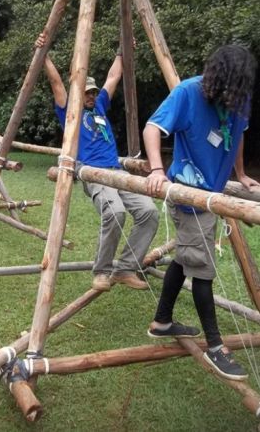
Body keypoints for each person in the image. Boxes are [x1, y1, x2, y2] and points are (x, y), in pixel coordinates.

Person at [144, 44, 258, 380]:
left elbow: (238, 136)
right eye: (230, 87)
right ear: (217, 78)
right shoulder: (188, 92)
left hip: (213, 193)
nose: (234, 96)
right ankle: (215, 346)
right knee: (203, 270)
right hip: (189, 196)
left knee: (187, 258)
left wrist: (240, 174)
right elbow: (153, 128)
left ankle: (162, 321)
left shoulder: (238, 98)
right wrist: (155, 170)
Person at [37, 33, 159, 291]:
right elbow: (56, 82)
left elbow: (114, 77)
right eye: (87, 92)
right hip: (93, 173)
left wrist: (122, 51)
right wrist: (43, 54)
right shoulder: (70, 110)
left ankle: (125, 268)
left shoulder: (100, 107)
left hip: (116, 170)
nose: (91, 96)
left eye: (93, 92)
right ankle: (102, 271)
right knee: (115, 212)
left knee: (148, 212)